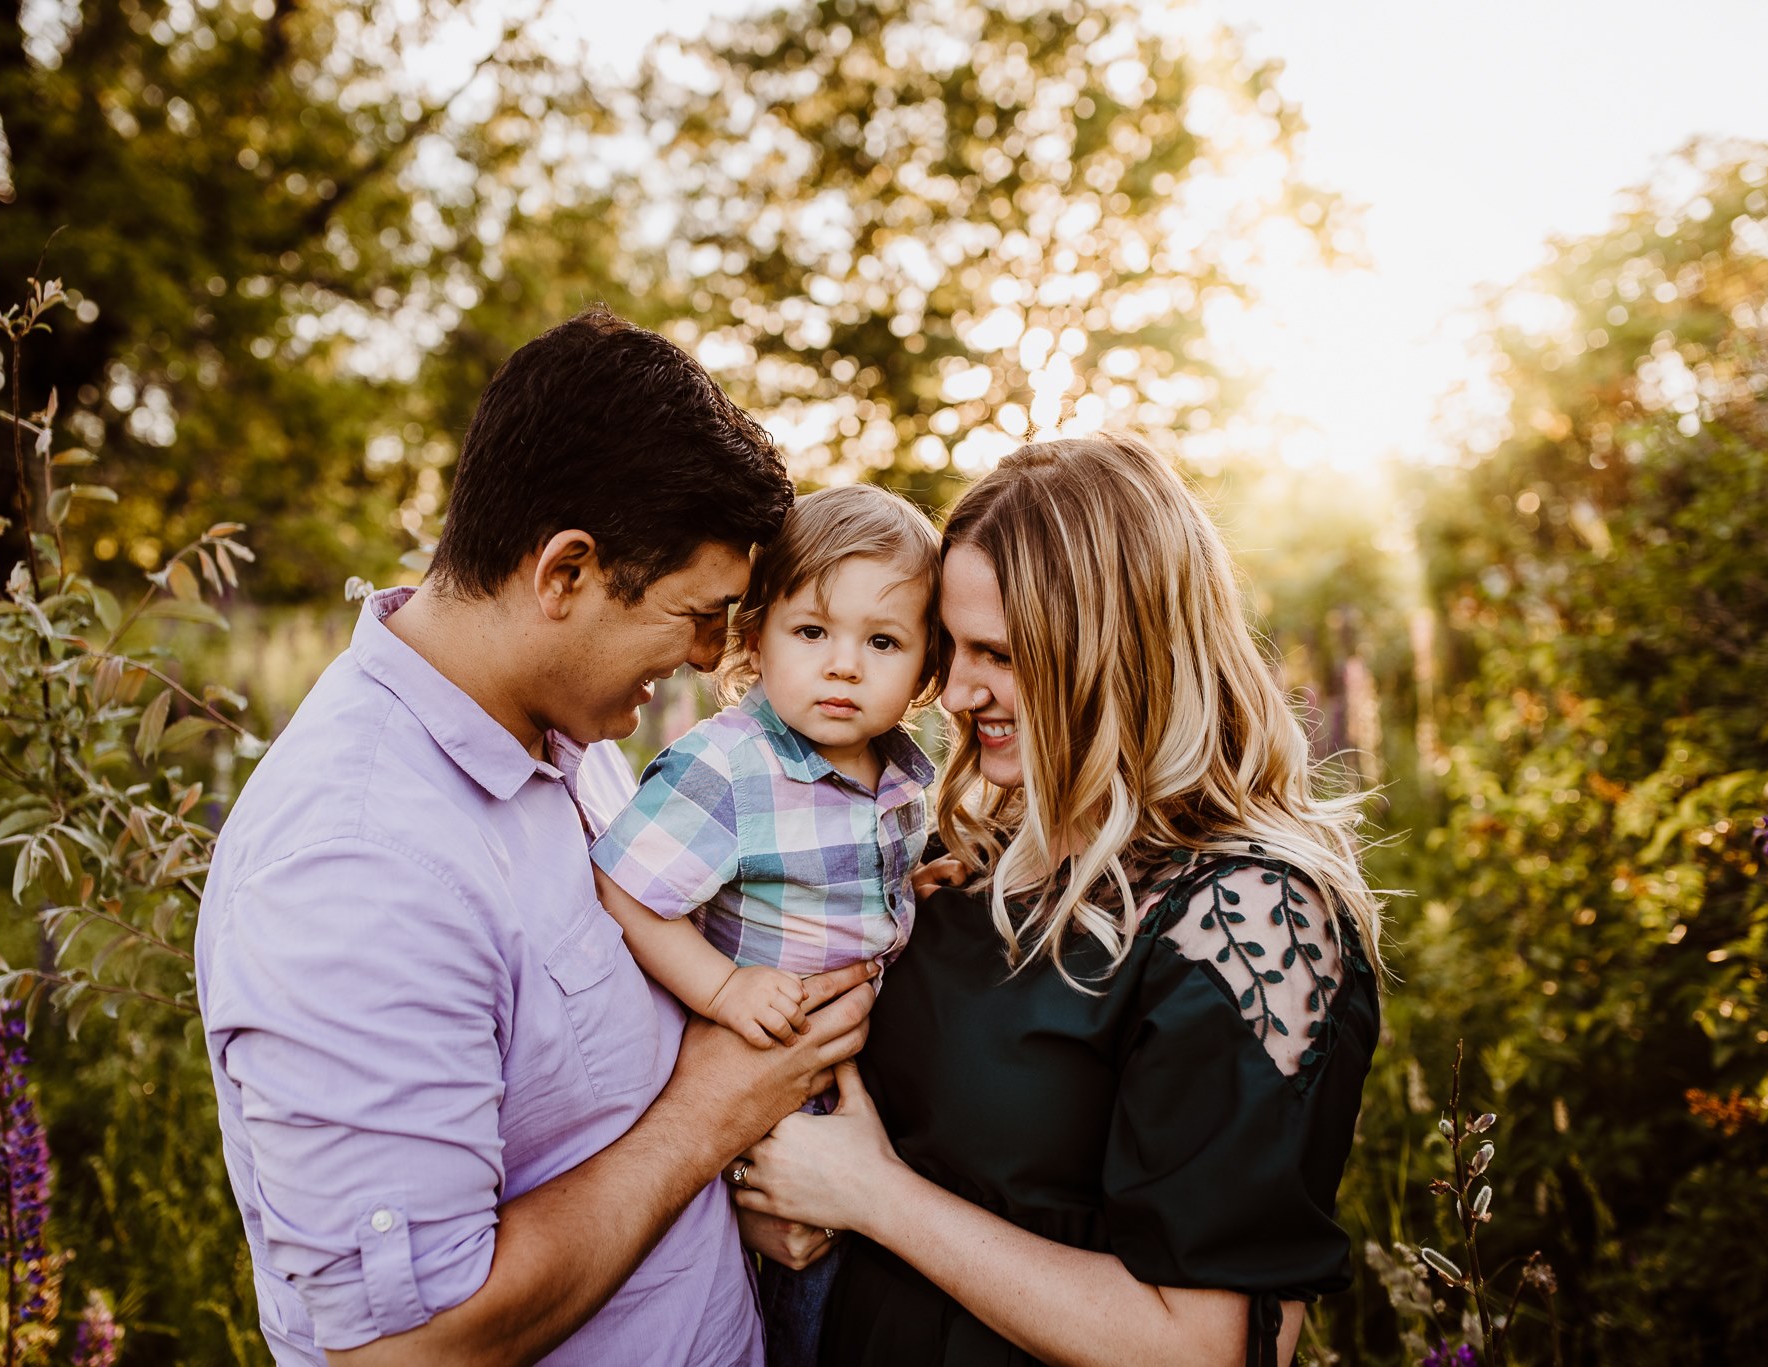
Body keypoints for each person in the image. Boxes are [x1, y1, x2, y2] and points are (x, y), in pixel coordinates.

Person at [195, 307, 877, 1367]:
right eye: (697, 613)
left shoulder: (562, 727)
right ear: (564, 573)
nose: (709, 657)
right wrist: (706, 1117)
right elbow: (411, 1346)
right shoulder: (358, 865)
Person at [731, 433, 1385, 1367]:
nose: (954, 691)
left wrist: (874, 1198)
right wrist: (772, 1195)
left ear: (1113, 647)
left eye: (998, 652)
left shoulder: (1249, 922)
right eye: (952, 647)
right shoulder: (964, 864)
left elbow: (1208, 1349)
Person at [589, 484, 943, 1367]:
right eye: (812, 631)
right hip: (773, 1105)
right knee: (800, 1310)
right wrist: (724, 986)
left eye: (884, 641)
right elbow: (621, 890)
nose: (844, 665)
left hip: (873, 1091)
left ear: (926, 669)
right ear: (755, 639)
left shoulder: (901, 771)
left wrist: (921, 890)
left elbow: (868, 886)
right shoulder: (728, 767)